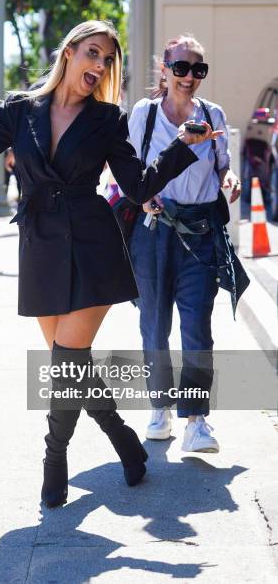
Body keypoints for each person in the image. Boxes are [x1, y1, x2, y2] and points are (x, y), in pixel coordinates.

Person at [0, 21, 220, 508]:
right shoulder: (20, 109)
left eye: (107, 59)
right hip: (40, 246)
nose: (99, 65)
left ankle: (54, 458)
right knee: (71, 366)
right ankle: (124, 439)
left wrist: (181, 148)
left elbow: (140, 186)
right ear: (69, 52)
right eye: (93, 53)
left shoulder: (107, 119)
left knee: (64, 362)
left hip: (93, 246)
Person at [128, 33, 245, 453]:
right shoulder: (144, 114)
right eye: (181, 67)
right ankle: (159, 408)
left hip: (199, 234)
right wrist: (144, 193)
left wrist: (228, 182)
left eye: (198, 69)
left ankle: (196, 420)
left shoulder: (213, 114)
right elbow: (127, 169)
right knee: (154, 324)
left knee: (198, 327)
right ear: (165, 68)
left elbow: (222, 168)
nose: (189, 76)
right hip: (155, 232)